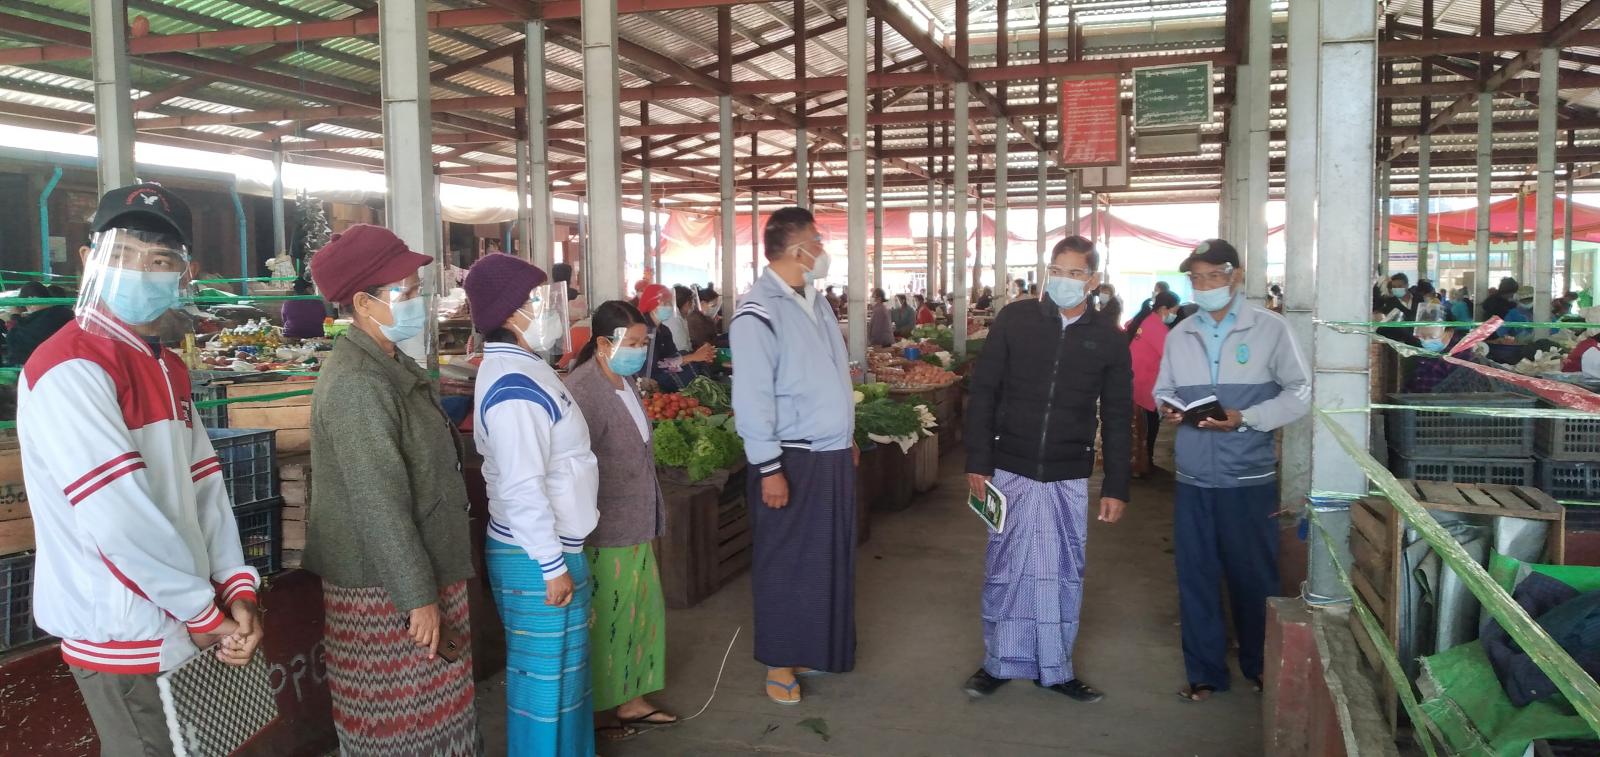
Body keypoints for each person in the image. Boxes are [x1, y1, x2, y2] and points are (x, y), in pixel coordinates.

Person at [19, 182, 264, 754]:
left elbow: (205, 491)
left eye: (158, 260)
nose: (138, 271)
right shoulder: (70, 367)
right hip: (123, 632)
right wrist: (206, 614)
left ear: (185, 274)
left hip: (183, 622)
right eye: (122, 254)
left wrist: (236, 590)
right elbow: (117, 518)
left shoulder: (166, 366)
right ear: (89, 259)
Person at [306, 224, 479, 755]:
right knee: (399, 724)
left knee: (441, 716)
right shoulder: (358, 382)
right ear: (364, 302)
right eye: (407, 291)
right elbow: (377, 501)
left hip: (419, 572)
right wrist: (416, 597)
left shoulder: (389, 363)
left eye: (416, 289)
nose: (418, 301)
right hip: (383, 591)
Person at [962, 235, 1132, 704]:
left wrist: (1116, 484)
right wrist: (978, 459)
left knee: (1061, 572)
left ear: (1092, 281)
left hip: (1067, 473)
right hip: (1010, 467)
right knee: (1005, 568)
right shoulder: (1015, 320)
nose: (1064, 280)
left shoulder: (1109, 339)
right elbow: (985, 391)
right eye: (1057, 270)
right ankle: (997, 662)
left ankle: (1055, 669)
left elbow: (1117, 415)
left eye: (1075, 273)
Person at [1152, 239, 1310, 703]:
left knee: (1253, 576)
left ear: (1236, 276)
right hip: (1193, 477)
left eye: (1213, 276)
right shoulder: (1181, 334)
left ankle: (1260, 666)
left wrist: (1247, 417)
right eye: (1196, 278)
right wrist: (1168, 407)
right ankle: (1205, 672)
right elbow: (1162, 389)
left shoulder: (1270, 329)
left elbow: (1300, 392)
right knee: (1196, 576)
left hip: (1248, 478)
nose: (1204, 286)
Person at [464, 254, 600, 755]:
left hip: (553, 548)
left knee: (566, 678)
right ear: (510, 312)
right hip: (534, 556)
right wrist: (551, 565)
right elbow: (522, 486)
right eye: (535, 300)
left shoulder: (527, 368)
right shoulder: (513, 389)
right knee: (543, 686)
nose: (548, 309)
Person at [731, 206, 858, 705]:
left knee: (823, 557)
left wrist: (846, 435)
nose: (823, 250)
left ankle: (808, 647)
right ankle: (779, 662)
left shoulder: (814, 300)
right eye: (817, 241)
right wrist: (768, 467)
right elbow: (753, 396)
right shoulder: (757, 311)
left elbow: (832, 372)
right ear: (797, 249)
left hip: (829, 451)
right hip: (790, 456)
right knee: (785, 560)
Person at [564, 301, 679, 738]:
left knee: (639, 613)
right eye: (631, 343)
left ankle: (631, 700)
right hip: (604, 528)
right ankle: (598, 711)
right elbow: (574, 466)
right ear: (602, 343)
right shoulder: (583, 390)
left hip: (635, 520)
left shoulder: (625, 381)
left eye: (642, 342)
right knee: (608, 620)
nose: (638, 350)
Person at [1130, 291, 1182, 475]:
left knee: (1146, 425)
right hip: (1144, 383)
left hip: (1139, 381)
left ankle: (1145, 462)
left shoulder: (1147, 321)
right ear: (1164, 309)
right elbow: (1171, 358)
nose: (1174, 315)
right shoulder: (1157, 327)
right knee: (1148, 426)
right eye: (1174, 311)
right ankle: (1145, 464)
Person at [639, 283, 712, 391]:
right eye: (665, 304)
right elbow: (656, 365)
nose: (669, 307)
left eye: (670, 303)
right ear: (652, 305)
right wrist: (693, 357)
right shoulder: (644, 329)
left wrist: (698, 356)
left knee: (695, 363)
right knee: (689, 369)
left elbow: (673, 357)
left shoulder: (664, 330)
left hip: (662, 371)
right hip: (647, 377)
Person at [6, 281, 75, 366]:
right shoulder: (65, 313)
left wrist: (15, 316)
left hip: (45, 365)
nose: (27, 309)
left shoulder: (42, 320)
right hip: (67, 361)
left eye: (26, 305)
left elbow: (16, 339)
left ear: (31, 299)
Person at [280, 275, 329, 340]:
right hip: (316, 335)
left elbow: (284, 319)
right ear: (308, 289)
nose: (313, 290)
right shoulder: (318, 302)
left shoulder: (287, 302)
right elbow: (324, 317)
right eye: (312, 288)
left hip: (292, 335)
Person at [686, 285, 718, 350]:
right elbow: (703, 342)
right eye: (713, 305)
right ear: (702, 303)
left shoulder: (704, 317)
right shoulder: (694, 319)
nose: (715, 308)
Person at [665, 285, 694, 354]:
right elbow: (682, 349)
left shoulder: (680, 318)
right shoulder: (674, 320)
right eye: (692, 302)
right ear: (687, 304)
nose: (693, 305)